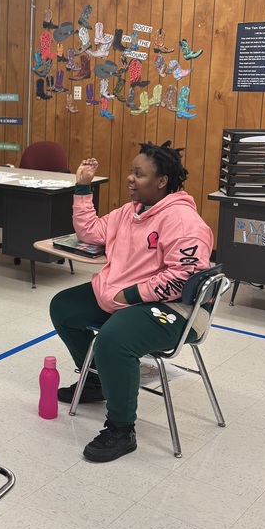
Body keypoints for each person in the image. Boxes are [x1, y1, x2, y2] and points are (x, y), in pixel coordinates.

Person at [49, 141, 213, 463]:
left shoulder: (183, 221)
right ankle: (96, 378)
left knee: (114, 339)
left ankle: (122, 429)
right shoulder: (129, 212)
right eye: (131, 171)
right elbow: (90, 233)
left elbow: (185, 276)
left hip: (178, 309)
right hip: (127, 298)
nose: (130, 178)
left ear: (162, 180)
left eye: (139, 174)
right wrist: (83, 187)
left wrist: (133, 294)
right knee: (63, 308)